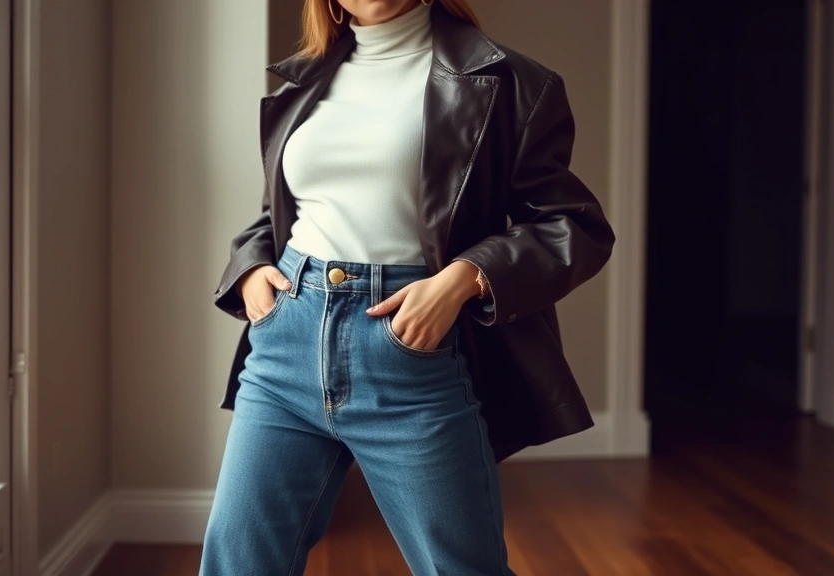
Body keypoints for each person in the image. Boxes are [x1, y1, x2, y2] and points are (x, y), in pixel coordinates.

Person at [200, 0, 614, 574]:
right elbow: (280, 211)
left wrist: (463, 279)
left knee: (460, 568)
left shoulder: (512, 82)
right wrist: (249, 268)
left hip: (408, 351)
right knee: (239, 562)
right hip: (284, 344)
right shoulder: (305, 78)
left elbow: (575, 226)